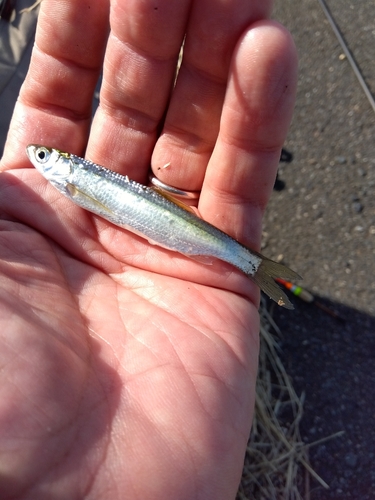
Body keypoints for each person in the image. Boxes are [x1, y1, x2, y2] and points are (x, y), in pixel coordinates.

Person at [0, 0, 297, 498]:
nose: (40, 158)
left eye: (47, 156)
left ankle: (259, 268)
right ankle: (261, 270)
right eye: (44, 155)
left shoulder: (73, 177)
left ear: (64, 166)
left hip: (182, 229)